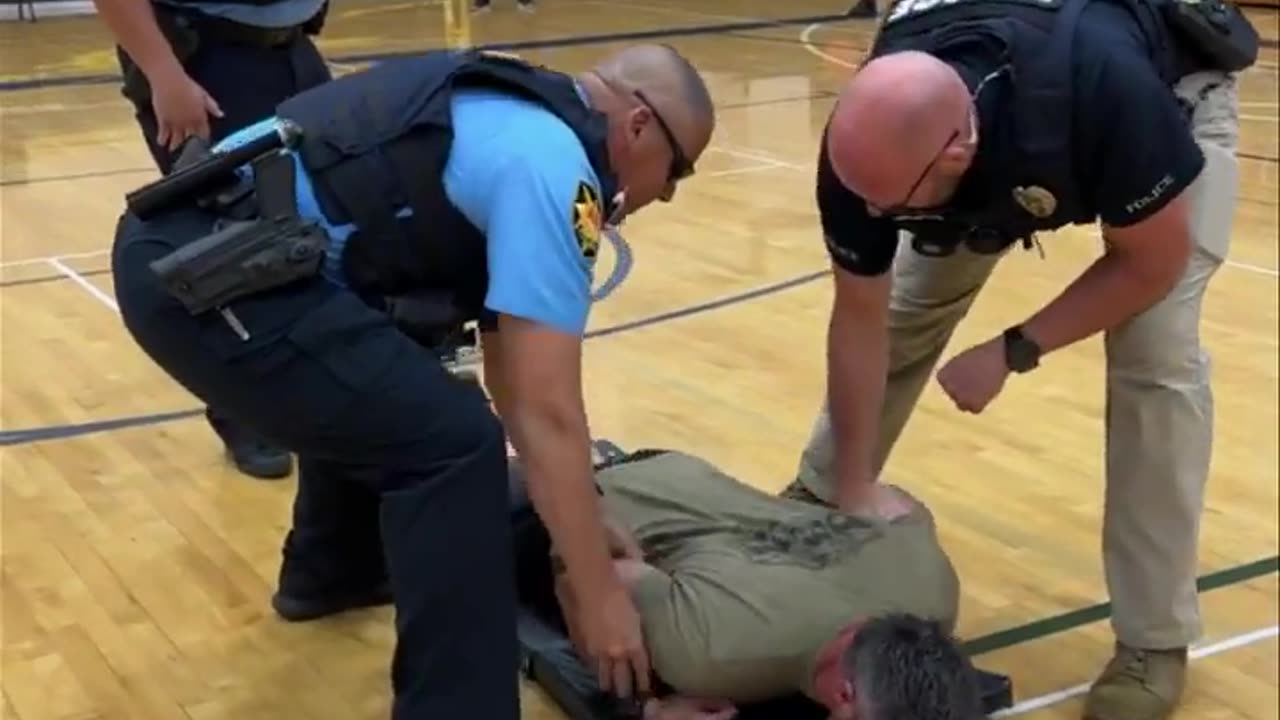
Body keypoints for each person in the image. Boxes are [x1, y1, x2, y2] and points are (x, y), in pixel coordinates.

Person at [109, 44, 715, 719]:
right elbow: (547, 412)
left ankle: (333, 571)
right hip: (206, 281)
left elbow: (512, 376)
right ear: (637, 125)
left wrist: (584, 517)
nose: (664, 193)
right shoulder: (555, 168)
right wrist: (601, 599)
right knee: (454, 448)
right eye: (678, 171)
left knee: (397, 379)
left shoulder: (511, 108)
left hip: (197, 253)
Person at [783, 0, 1256, 717]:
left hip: (1168, 104)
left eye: (893, 208)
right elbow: (860, 317)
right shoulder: (874, 133)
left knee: (1154, 359)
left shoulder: (1107, 91)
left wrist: (1013, 350)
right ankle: (821, 501)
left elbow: (1148, 265)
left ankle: (1154, 639)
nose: (876, 220)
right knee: (909, 307)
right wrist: (852, 487)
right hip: (1002, 144)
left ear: (957, 151)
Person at [527, 449, 982, 720]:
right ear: (844, 696)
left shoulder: (936, 589)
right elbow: (584, 580)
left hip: (685, 468)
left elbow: (896, 502)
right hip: (594, 485)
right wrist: (648, 706)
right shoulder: (713, 652)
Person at [91, 0, 334, 480]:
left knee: (318, 216)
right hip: (203, 59)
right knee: (229, 243)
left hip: (290, 49)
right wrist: (164, 75)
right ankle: (240, 412)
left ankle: (313, 387)